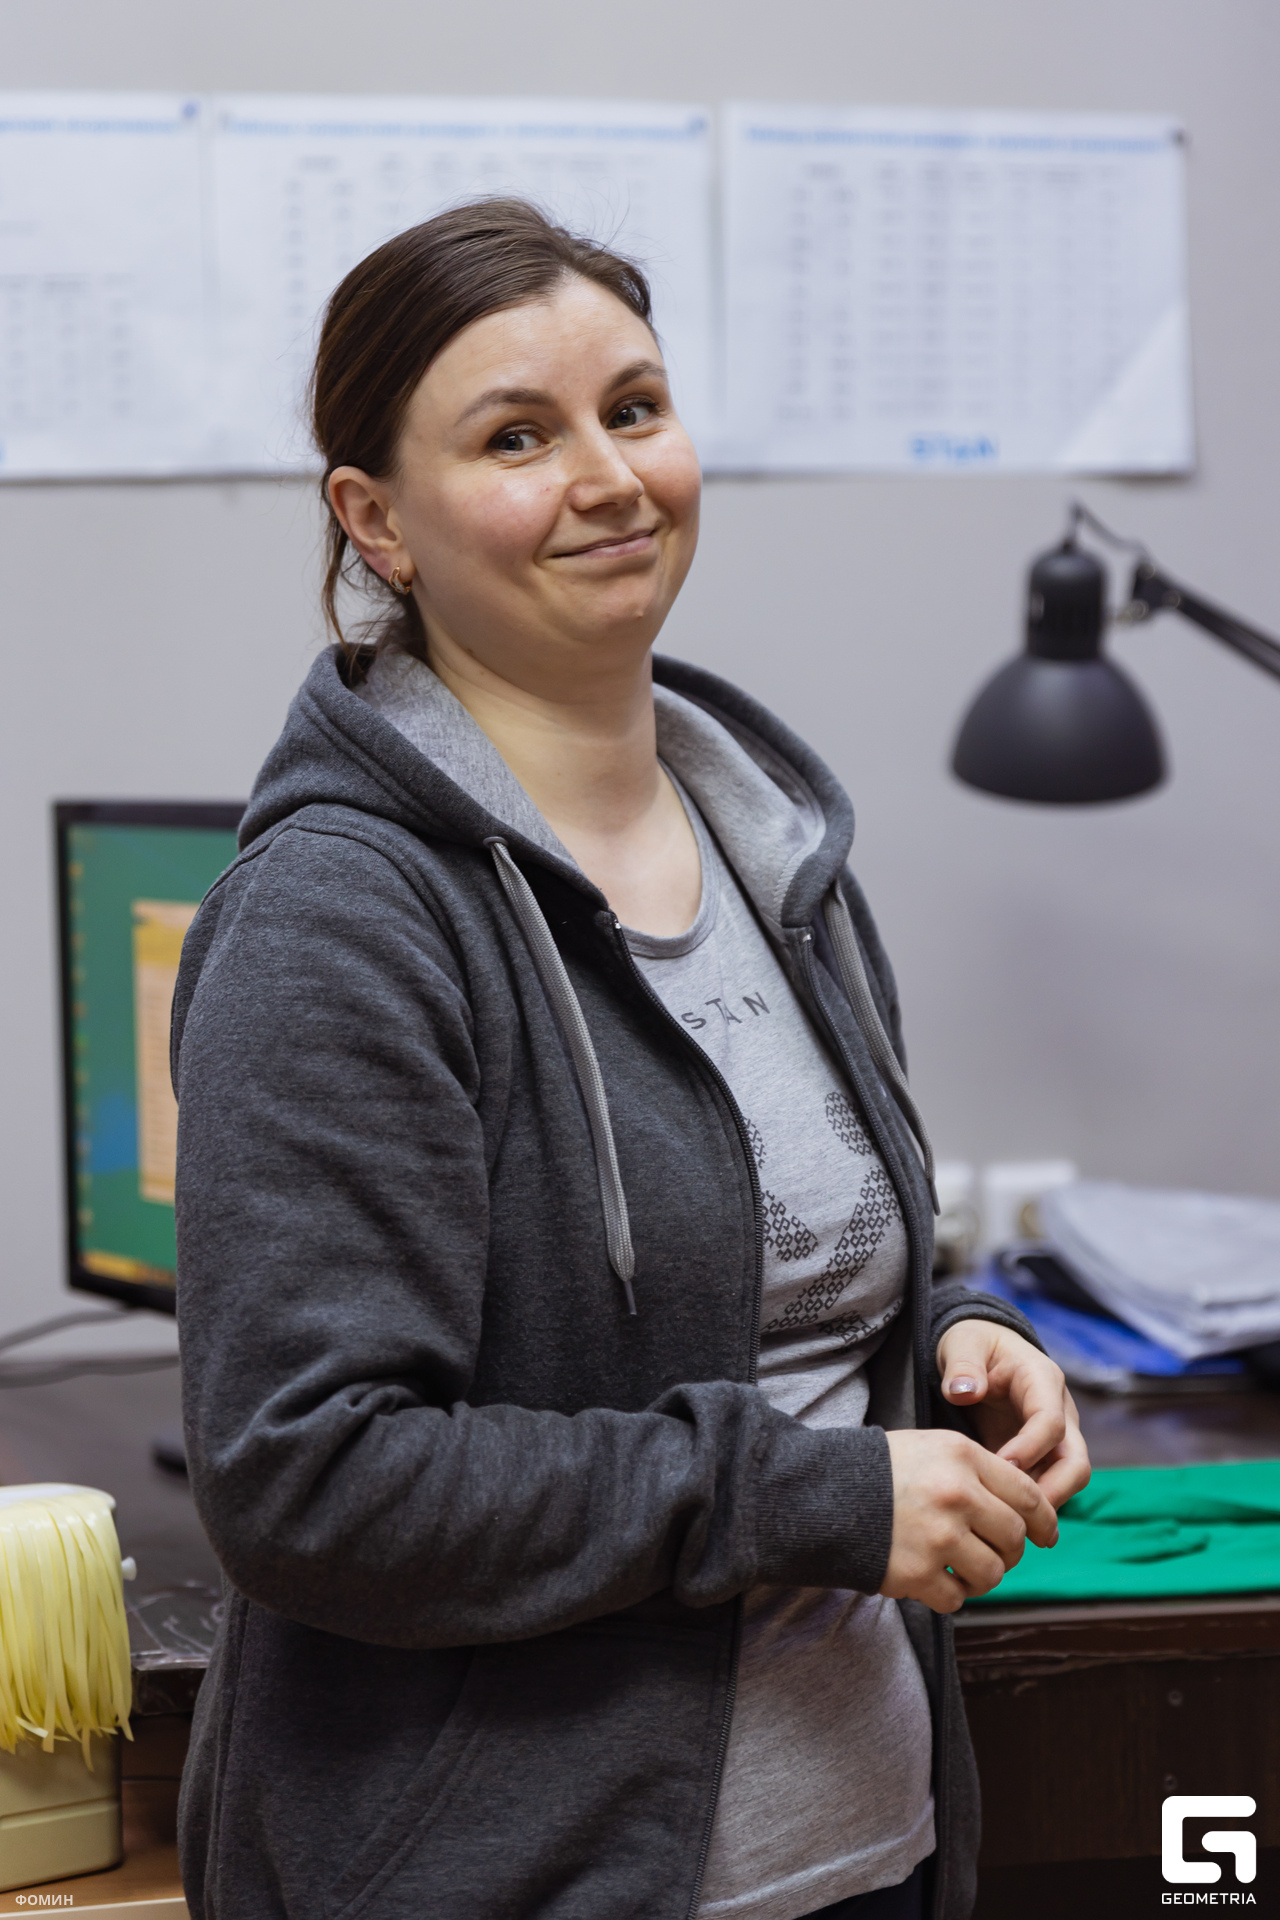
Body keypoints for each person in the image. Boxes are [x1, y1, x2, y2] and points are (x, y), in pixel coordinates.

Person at [173, 199, 1090, 1920]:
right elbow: (310, 1481)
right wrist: (810, 1497)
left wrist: (961, 1341)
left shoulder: (772, 847)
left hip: (868, 1849)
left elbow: (783, 1275)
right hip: (522, 1878)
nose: (608, 478)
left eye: (635, 409)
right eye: (518, 438)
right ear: (377, 520)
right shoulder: (337, 919)